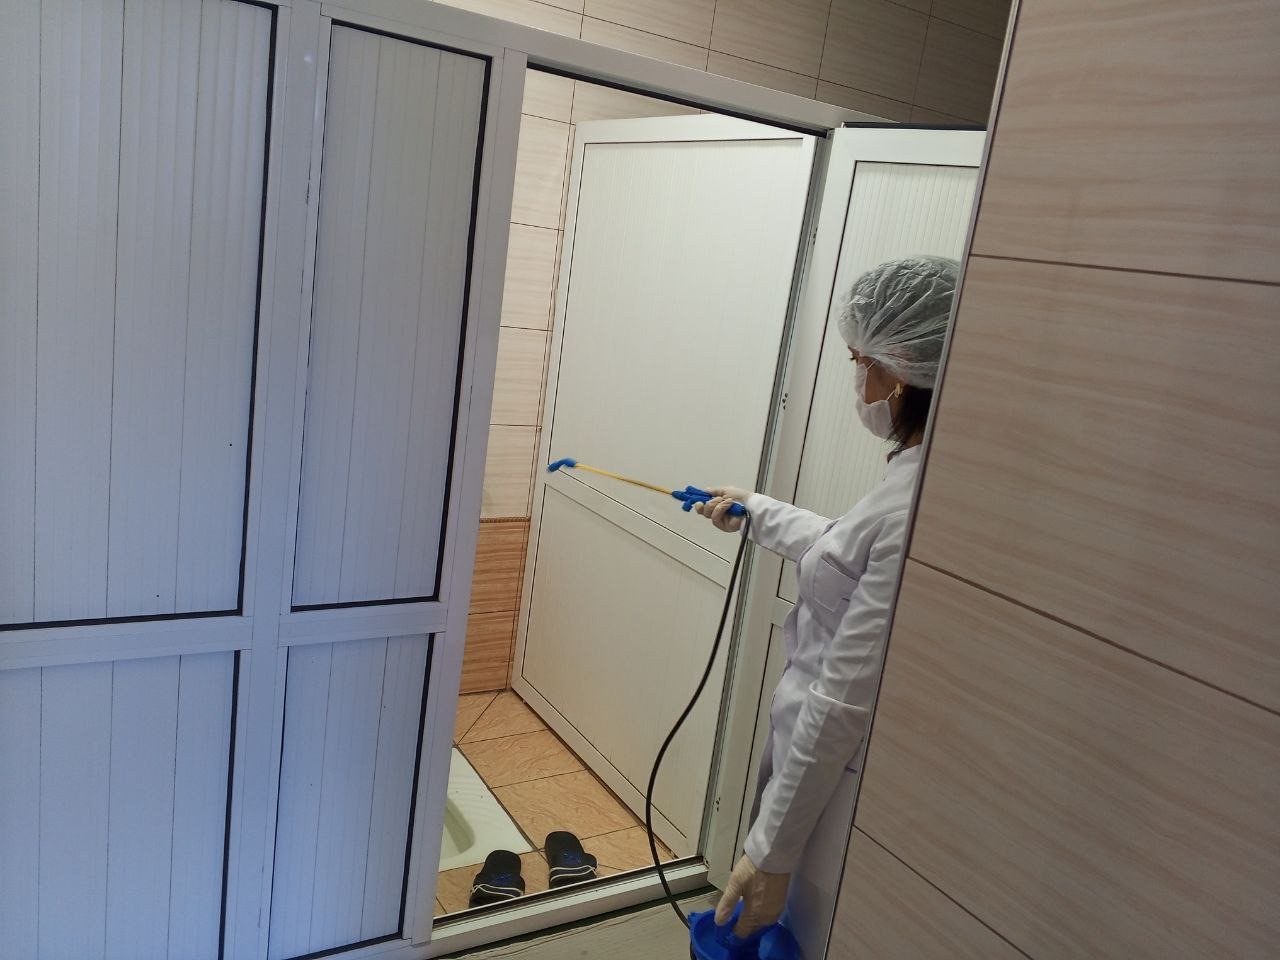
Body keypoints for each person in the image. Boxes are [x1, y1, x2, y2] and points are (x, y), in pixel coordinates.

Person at [696, 256, 960, 936]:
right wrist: (756, 510)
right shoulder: (921, 476)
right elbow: (847, 551)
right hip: (816, 761)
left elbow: (843, 696)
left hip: (837, 780)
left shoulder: (917, 505)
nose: (858, 383)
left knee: (798, 927)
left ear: (897, 374)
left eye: (858, 363)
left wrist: (770, 852)